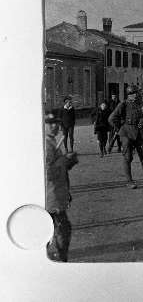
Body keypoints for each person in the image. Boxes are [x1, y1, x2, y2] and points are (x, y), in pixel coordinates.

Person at [109, 85, 143, 189]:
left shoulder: (141, 104)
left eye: (137, 93)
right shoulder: (123, 104)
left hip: (140, 133)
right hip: (127, 134)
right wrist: (120, 129)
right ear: (129, 95)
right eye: (133, 93)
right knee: (128, 157)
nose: (136, 95)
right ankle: (129, 181)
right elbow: (111, 118)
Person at [45, 112, 78, 262]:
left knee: (52, 228)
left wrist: (67, 162)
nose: (55, 126)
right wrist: (65, 161)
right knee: (62, 229)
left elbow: (57, 168)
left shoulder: (50, 141)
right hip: (50, 196)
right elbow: (47, 173)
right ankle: (61, 259)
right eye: (50, 123)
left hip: (56, 193)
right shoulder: (45, 145)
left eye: (57, 123)